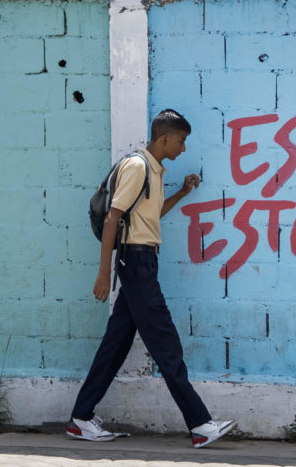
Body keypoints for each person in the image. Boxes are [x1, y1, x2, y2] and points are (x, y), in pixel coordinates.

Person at [66, 109, 236, 448]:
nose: (184, 148)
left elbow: (150, 215)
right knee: (165, 342)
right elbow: (114, 217)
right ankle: (200, 424)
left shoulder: (154, 171)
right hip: (137, 263)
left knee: (115, 345)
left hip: (142, 262)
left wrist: (182, 194)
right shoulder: (138, 167)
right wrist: (104, 272)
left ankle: (81, 417)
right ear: (164, 139)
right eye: (181, 141)